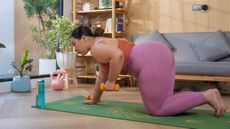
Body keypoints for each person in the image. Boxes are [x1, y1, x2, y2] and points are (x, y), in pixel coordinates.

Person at [71, 26, 226, 117]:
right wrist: (95, 98)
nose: (74, 48)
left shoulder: (96, 48)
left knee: (157, 109)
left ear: (84, 38)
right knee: (165, 101)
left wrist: (112, 81)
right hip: (156, 54)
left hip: (149, 59)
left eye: (74, 43)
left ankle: (208, 95)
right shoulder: (101, 44)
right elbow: (102, 77)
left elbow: (117, 56)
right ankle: (207, 95)